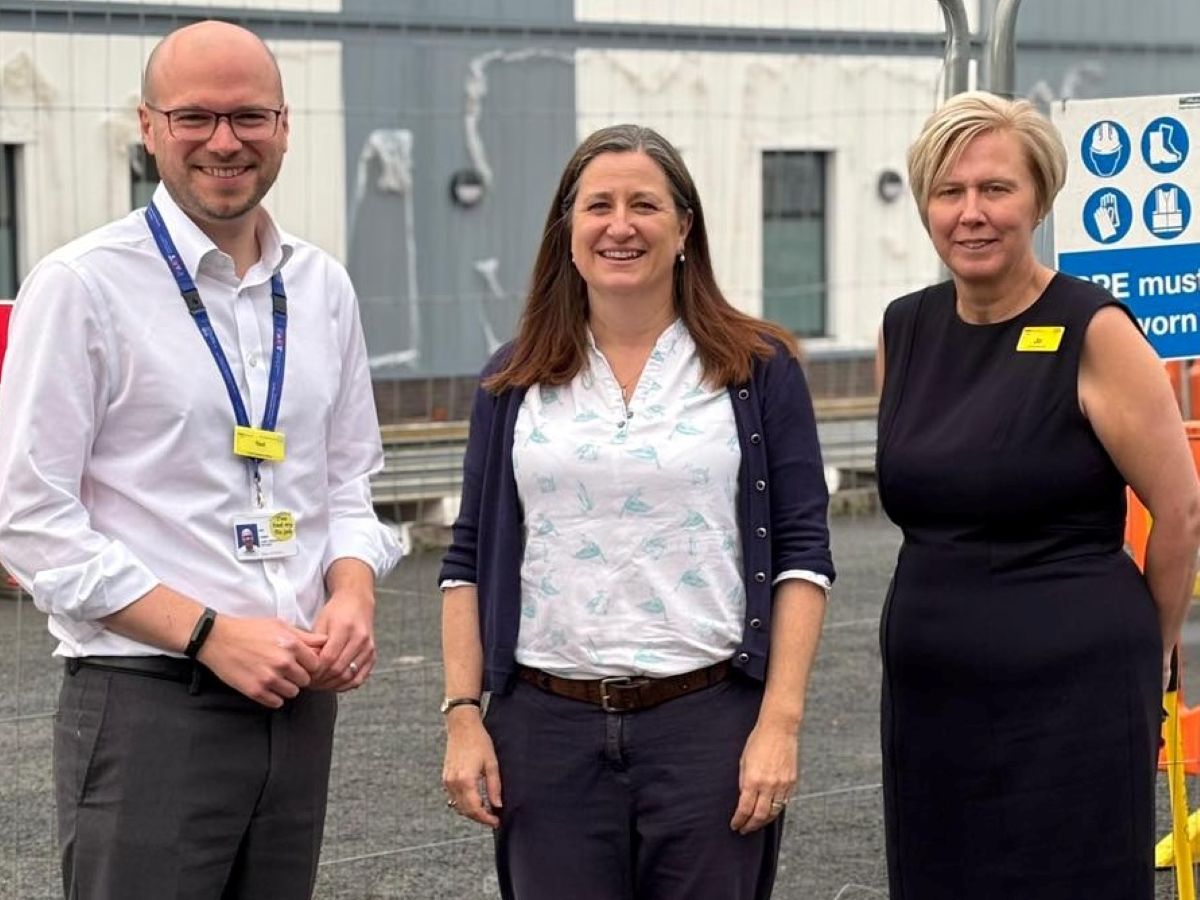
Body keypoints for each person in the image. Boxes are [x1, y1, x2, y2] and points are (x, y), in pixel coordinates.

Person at [0, 21, 401, 900]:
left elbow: (345, 483)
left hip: (298, 701)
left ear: (285, 125)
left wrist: (353, 594)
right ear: (148, 126)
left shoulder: (322, 288)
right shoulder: (81, 288)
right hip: (150, 699)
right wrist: (210, 635)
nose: (225, 141)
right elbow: (29, 522)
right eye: (195, 117)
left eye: (249, 116)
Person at [439, 123, 834, 900]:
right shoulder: (513, 379)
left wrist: (778, 723)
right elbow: (468, 555)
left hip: (708, 725)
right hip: (545, 731)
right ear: (568, 229)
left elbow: (801, 553)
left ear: (684, 227)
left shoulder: (757, 370)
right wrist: (462, 714)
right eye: (598, 206)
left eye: (644, 204)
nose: (620, 225)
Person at [876, 90, 1200, 899]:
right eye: (949, 192)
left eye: (996, 189)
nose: (971, 213)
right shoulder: (904, 329)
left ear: (1040, 198)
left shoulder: (1096, 330)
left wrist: (1149, 649)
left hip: (1077, 699)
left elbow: (1181, 510)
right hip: (931, 694)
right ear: (925, 206)